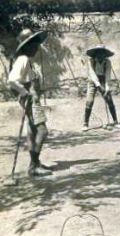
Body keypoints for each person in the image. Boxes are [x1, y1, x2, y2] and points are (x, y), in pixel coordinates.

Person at [7, 29, 52, 177]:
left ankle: (35, 163)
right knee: (42, 130)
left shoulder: (26, 60)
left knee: (32, 130)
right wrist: (25, 93)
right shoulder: (24, 59)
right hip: (29, 99)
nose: (37, 47)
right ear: (27, 46)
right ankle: (33, 165)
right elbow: (12, 81)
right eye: (35, 44)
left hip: (30, 98)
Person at [82, 45, 120, 131]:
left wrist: (107, 88)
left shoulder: (107, 62)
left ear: (105, 54)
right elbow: (92, 74)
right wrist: (98, 85)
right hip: (92, 81)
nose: (100, 55)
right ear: (96, 54)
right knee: (90, 101)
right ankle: (85, 123)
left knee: (109, 100)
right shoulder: (91, 61)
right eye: (99, 53)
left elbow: (108, 75)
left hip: (103, 80)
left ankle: (116, 122)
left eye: (102, 53)